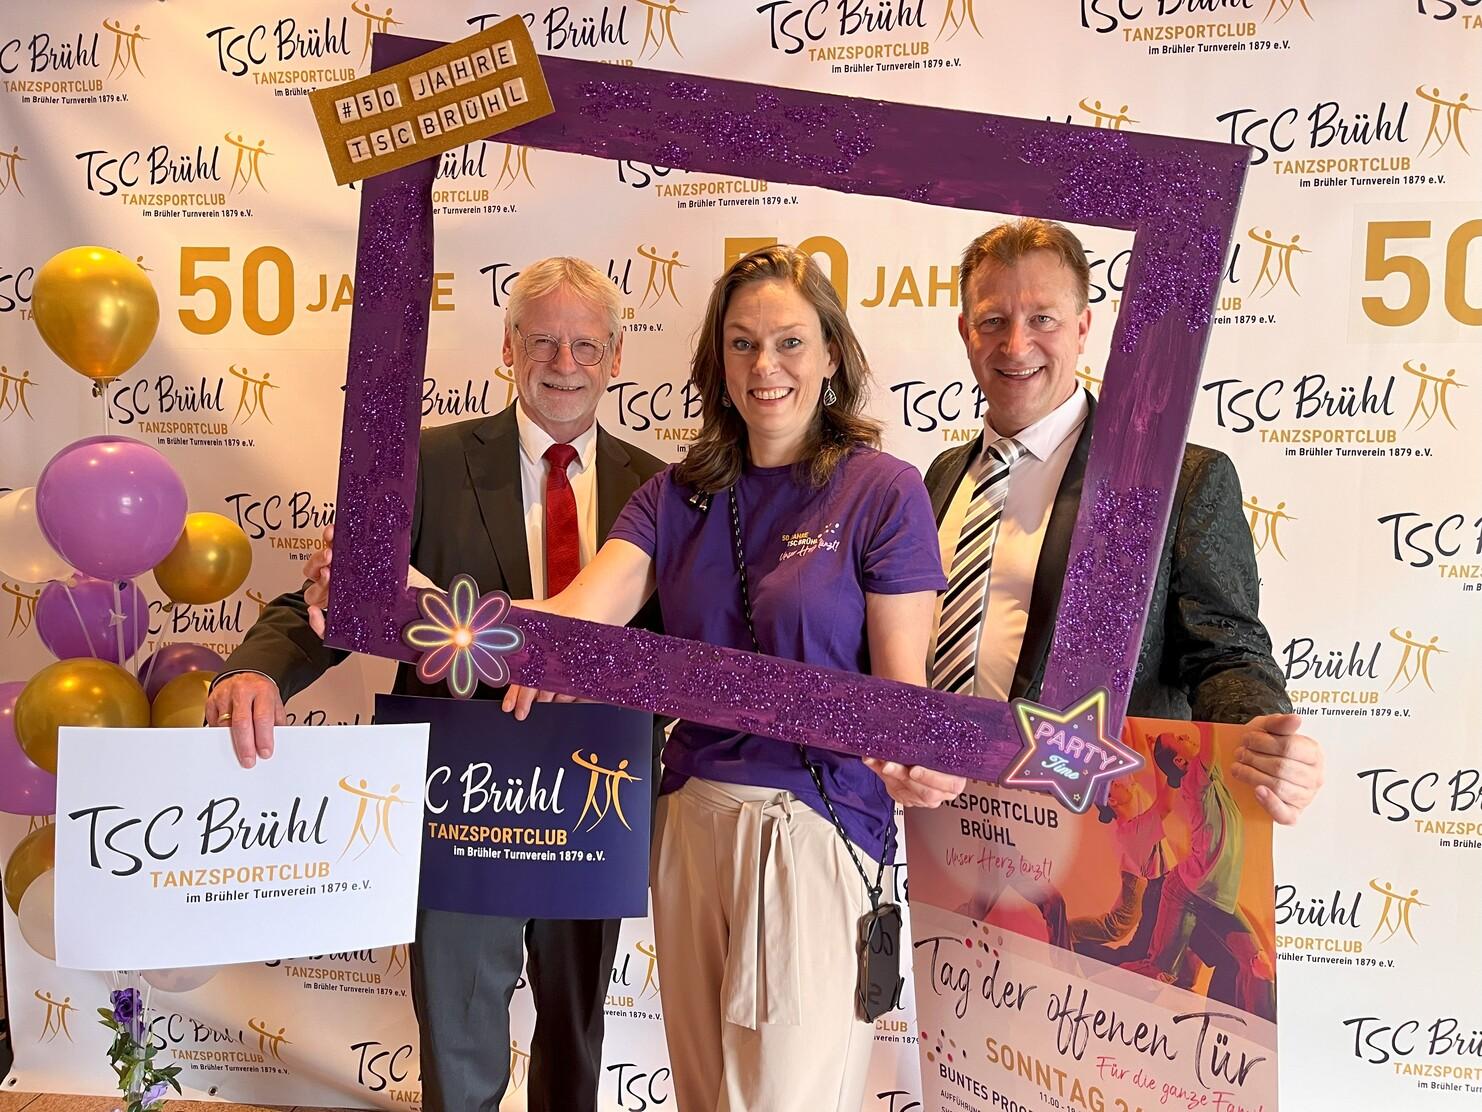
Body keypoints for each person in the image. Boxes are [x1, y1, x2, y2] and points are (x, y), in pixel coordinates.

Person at [203, 257, 665, 1112]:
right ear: (507, 348)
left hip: (596, 796)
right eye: (543, 342)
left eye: (586, 345)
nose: (565, 363)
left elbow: (684, 646)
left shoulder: (663, 490)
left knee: (577, 1035)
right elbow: (334, 601)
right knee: (456, 1037)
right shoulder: (424, 463)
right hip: (459, 794)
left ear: (617, 356)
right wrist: (257, 667)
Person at [505, 245, 950, 1111]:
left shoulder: (884, 492)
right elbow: (576, 614)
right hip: (688, 826)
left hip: (813, 833)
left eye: (789, 341)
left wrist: (908, 756)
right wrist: (407, 602)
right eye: (742, 344)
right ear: (718, 363)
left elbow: (905, 690)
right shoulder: (675, 494)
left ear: (830, 355)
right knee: (706, 1100)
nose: (765, 366)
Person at [870, 218, 1324, 824]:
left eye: (1042, 319)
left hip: (1102, 832)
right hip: (945, 832)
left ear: (1083, 327)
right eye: (993, 320)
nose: (1015, 345)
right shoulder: (937, 477)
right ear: (965, 331)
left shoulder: (1177, 481)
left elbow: (1226, 653)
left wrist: (1261, 736)